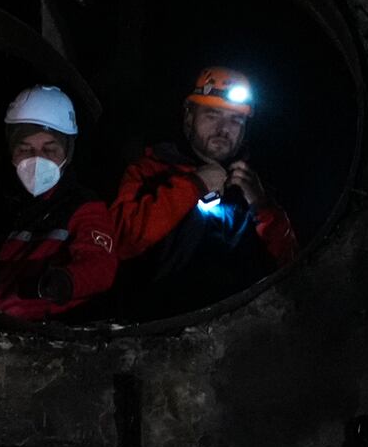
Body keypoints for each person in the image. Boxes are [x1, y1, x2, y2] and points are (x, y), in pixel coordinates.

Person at [109, 67, 297, 317]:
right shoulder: (149, 172)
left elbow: (292, 267)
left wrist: (262, 207)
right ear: (189, 116)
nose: (223, 128)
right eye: (213, 115)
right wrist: (193, 186)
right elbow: (119, 242)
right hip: (160, 331)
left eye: (235, 120)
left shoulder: (254, 185)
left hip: (241, 335)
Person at [0, 85, 118, 321]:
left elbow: (101, 264)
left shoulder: (83, 207)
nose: (37, 160)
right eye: (25, 148)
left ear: (67, 152)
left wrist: (65, 282)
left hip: (47, 335)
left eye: (50, 150)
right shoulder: (0, 204)